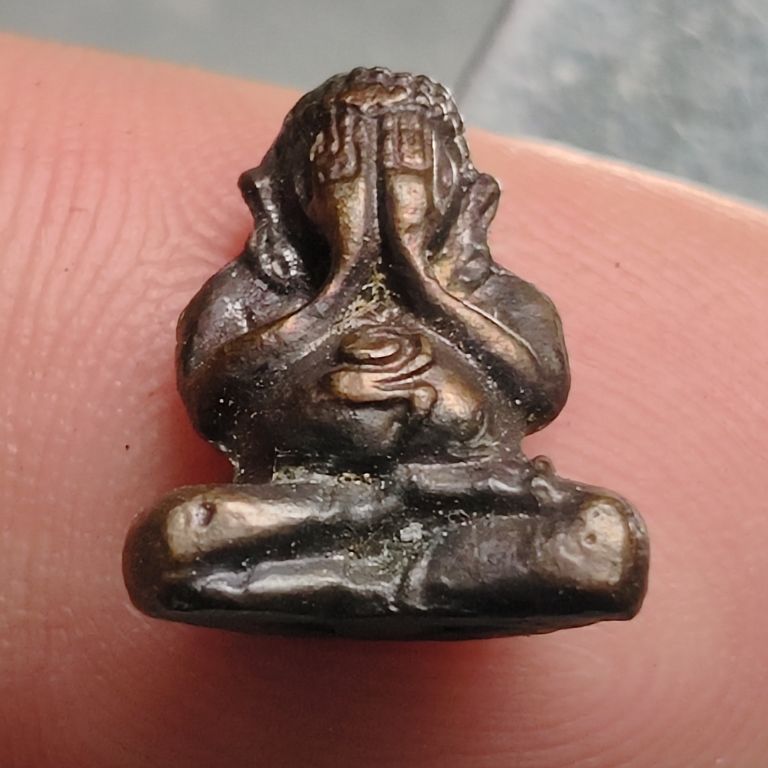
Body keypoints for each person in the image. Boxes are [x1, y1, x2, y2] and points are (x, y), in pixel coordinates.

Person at [2, 35, 767, 767]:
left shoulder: (497, 297)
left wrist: (426, 283)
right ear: (281, 193)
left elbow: (538, 391)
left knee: (601, 539)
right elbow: (214, 404)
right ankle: (391, 540)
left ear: (465, 194)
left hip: (474, 502)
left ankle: (385, 565)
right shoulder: (251, 296)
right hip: (305, 502)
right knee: (173, 539)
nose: (375, 187)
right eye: (341, 166)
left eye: (406, 161)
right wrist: (334, 290)